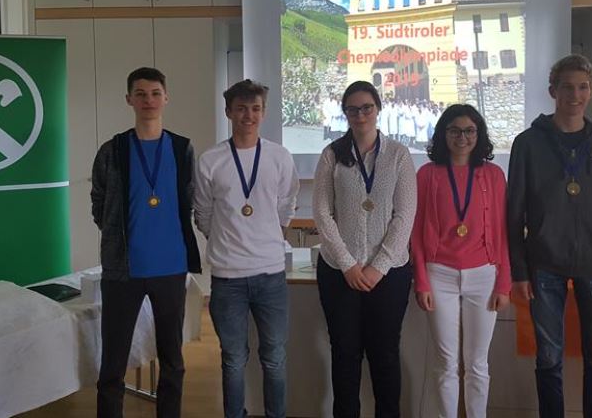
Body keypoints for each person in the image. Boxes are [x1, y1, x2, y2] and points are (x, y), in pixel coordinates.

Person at [506, 54, 592, 418]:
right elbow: (514, 214)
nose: (575, 95)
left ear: (591, 92)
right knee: (548, 359)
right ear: (553, 91)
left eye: (582, 87)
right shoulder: (527, 143)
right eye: (567, 87)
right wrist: (519, 271)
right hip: (544, 265)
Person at [91, 67, 201, 418]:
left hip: (171, 267)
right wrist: (118, 237)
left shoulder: (182, 148)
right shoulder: (113, 150)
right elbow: (99, 201)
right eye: (140, 94)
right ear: (129, 100)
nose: (148, 100)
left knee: (172, 360)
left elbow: (189, 198)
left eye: (155, 93)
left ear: (166, 98)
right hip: (123, 270)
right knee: (113, 364)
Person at [194, 79, 299, 418]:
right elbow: (203, 213)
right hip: (228, 277)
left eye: (255, 109)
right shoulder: (211, 160)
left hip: (271, 274)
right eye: (241, 108)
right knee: (233, 359)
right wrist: (226, 239)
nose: (248, 116)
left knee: (275, 357)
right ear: (228, 112)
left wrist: (270, 233)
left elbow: (287, 202)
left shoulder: (279, 156)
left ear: (263, 113)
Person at [312, 80, 417, 418]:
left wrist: (378, 267)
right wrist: (348, 264)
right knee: (344, 355)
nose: (360, 115)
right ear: (345, 113)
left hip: (389, 274)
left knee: (385, 354)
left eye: (367, 108)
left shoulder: (398, 155)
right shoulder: (332, 154)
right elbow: (322, 213)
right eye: (353, 109)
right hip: (339, 272)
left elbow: (405, 215)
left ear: (378, 109)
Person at [411, 104, 511, 418]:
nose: (462, 137)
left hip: (484, 276)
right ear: (443, 134)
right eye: (454, 130)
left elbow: (503, 231)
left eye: (469, 131)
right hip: (439, 274)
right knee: (446, 363)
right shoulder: (427, 175)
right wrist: (421, 280)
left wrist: (504, 283)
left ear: (479, 135)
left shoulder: (494, 175)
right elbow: (416, 232)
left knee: (477, 363)